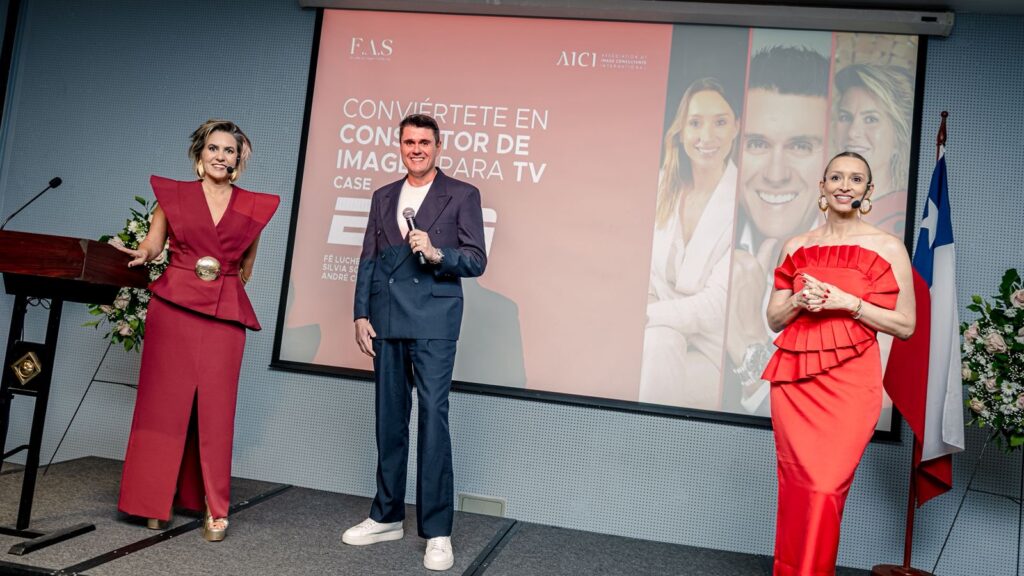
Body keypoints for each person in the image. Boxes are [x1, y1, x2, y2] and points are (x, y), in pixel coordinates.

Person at [116, 119, 279, 542]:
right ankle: (152, 501)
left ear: (239, 159)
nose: (221, 156)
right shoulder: (173, 196)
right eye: (213, 148)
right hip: (173, 307)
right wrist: (140, 253)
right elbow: (155, 245)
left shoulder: (252, 206)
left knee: (217, 410)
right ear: (199, 154)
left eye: (229, 150)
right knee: (162, 403)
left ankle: (214, 507)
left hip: (225, 314)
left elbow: (246, 270)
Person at [343, 114, 486, 571]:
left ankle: (438, 531)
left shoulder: (462, 195)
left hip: (435, 320)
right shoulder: (383, 196)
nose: (417, 149)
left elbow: (477, 259)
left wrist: (439, 253)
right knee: (389, 418)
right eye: (409, 142)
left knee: (432, 420)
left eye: (425, 142)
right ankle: (385, 515)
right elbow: (368, 256)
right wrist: (361, 313)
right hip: (386, 319)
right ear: (400, 146)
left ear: (438, 147)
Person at [761, 151, 915, 575]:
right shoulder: (798, 246)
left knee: (825, 489)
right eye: (836, 177)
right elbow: (774, 319)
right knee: (796, 489)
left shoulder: (887, 246)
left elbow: (905, 325)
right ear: (822, 187)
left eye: (856, 179)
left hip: (850, 387)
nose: (845, 185)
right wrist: (797, 300)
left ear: (868, 191)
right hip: (795, 386)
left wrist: (850, 304)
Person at [724, 45, 831, 415]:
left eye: (800, 146)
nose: (775, 173)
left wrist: (750, 343)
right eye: (757, 144)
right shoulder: (687, 244)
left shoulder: (858, 271)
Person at [640, 77, 739, 408]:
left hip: (709, 350)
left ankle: (646, 444)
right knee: (657, 342)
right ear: (681, 131)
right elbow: (642, 270)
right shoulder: (664, 186)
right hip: (655, 336)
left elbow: (715, 307)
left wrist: (645, 314)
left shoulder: (744, 200)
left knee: (657, 342)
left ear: (737, 127)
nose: (707, 137)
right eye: (695, 123)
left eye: (720, 122)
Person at [833, 64, 915, 237]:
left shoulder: (903, 222)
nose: (853, 132)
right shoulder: (820, 210)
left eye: (871, 119)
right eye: (845, 117)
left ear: (897, 138)